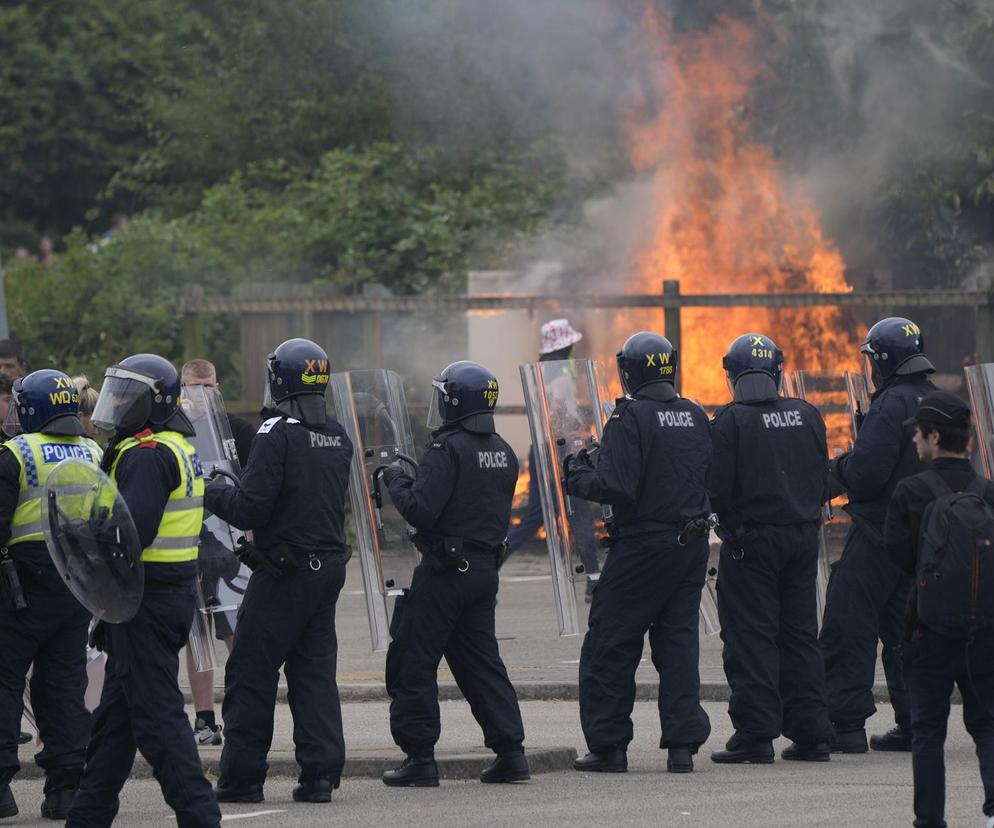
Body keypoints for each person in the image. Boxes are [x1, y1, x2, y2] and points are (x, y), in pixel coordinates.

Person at [67, 354, 221, 828]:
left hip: (145, 601)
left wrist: (82, 535)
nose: (115, 403)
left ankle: (200, 818)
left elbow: (130, 533)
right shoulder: (171, 445)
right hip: (162, 596)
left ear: (151, 403)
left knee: (159, 724)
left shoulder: (147, 455)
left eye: (125, 396)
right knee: (114, 726)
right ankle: (87, 818)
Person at [208, 339, 352, 805]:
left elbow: (251, 504)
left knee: (251, 671)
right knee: (313, 674)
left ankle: (242, 777)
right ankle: (320, 776)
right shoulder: (337, 432)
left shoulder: (275, 431)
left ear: (281, 378)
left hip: (285, 573)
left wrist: (210, 491)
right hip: (326, 570)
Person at [564, 331, 712, 774]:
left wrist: (576, 472)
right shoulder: (695, 414)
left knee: (610, 640)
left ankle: (609, 747)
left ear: (631, 371)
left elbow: (616, 485)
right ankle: (682, 747)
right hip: (691, 546)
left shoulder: (629, 417)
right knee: (678, 643)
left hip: (644, 546)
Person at [381, 361, 528, 787]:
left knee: (413, 658)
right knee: (481, 663)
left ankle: (420, 758)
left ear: (453, 401)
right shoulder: (502, 450)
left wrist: (396, 481)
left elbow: (423, 511)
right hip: (484, 571)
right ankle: (510, 752)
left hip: (444, 572)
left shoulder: (448, 449)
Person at [708, 333, 834, 764]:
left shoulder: (730, 421)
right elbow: (823, 476)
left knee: (751, 637)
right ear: (777, 371)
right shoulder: (808, 414)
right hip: (802, 540)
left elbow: (717, 489)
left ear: (733, 374)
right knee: (800, 636)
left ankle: (756, 735)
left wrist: (730, 528)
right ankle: (814, 733)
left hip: (751, 544)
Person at [820, 317, 937, 753]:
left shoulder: (891, 406)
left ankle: (845, 724)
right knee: (904, 630)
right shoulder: (941, 401)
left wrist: (832, 472)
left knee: (848, 621)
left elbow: (867, 474)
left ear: (883, 359)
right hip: (925, 537)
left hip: (879, 534)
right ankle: (916, 723)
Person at [884, 391, 994, 828]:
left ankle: (930, 820)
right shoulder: (987, 491)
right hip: (985, 629)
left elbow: (899, 556)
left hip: (927, 628)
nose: (914, 439)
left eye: (917, 432)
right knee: (987, 723)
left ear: (934, 436)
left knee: (928, 730)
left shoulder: (911, 490)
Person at [0, 370, 102, 820]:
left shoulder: (15, 453)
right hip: (76, 585)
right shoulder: (94, 450)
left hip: (18, 588)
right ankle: (65, 788)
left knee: (3, 684)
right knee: (63, 687)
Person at [180, 358, 255, 747]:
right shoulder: (174, 431)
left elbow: (257, 485)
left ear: (217, 387)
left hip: (230, 543)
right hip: (189, 542)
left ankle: (244, 713)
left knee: (236, 631)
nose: (200, 395)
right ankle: (205, 719)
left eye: (206, 387)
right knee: (198, 635)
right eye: (192, 387)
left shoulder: (237, 431)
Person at [507, 318, 583, 552]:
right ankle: (592, 576)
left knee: (539, 514)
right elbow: (560, 412)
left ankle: (497, 555)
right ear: (562, 347)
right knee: (578, 509)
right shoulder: (558, 374)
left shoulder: (544, 369)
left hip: (541, 448)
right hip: (557, 449)